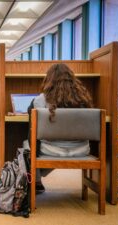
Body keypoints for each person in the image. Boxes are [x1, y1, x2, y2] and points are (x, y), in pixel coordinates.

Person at [26, 63, 93, 194]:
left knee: (27, 145)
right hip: (81, 150)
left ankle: (36, 181)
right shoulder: (84, 100)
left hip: (51, 151)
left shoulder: (38, 101)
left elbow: (32, 137)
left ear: (49, 80)